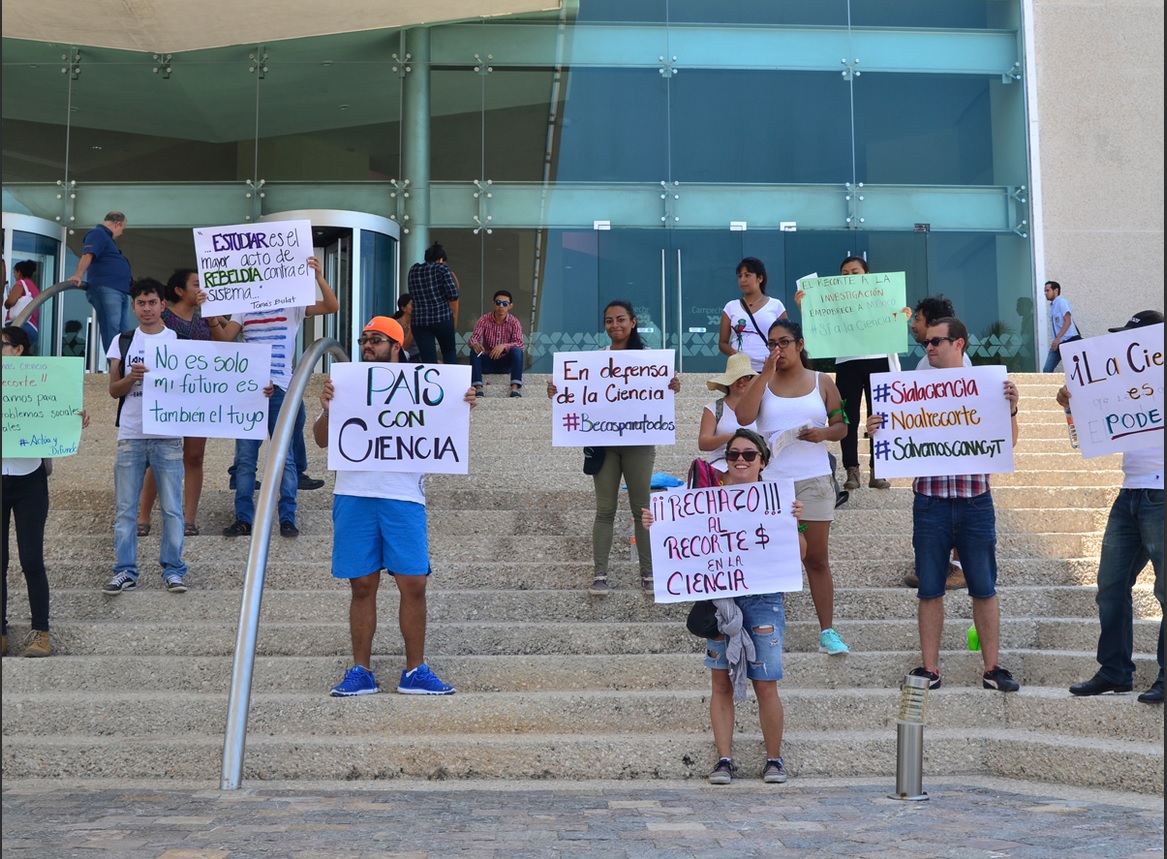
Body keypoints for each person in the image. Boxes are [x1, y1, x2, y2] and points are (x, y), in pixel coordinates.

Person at [314, 316, 479, 697]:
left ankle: (415, 670)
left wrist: (462, 401)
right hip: (354, 494)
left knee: (414, 583)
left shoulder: (427, 386)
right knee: (362, 585)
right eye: (364, 340)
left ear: (396, 346)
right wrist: (327, 407)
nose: (367, 345)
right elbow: (322, 441)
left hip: (404, 495)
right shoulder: (347, 385)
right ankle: (360, 670)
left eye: (376, 340)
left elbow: (445, 428)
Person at [866, 317, 1021, 692]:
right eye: (927, 343)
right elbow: (896, 444)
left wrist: (1012, 410)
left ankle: (992, 668)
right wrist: (876, 429)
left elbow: (1007, 443)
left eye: (937, 341)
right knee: (930, 587)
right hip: (931, 501)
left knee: (983, 586)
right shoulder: (910, 389)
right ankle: (930, 668)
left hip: (974, 500)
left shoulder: (987, 386)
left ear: (959, 344)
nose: (929, 347)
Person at [642, 429, 804, 785]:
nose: (741, 461)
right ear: (725, 460)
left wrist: (791, 525)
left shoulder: (778, 501)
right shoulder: (702, 499)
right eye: (734, 455)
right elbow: (671, 545)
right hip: (721, 598)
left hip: (763, 599)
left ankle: (774, 759)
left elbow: (803, 554)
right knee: (720, 682)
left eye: (749, 455)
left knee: (766, 683)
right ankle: (724, 759)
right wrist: (655, 526)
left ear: (763, 461)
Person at [546, 299, 681, 595]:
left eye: (621, 319)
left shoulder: (650, 359)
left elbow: (664, 391)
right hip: (604, 445)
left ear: (633, 322)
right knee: (604, 509)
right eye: (609, 320)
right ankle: (600, 574)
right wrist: (557, 390)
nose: (615, 325)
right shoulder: (595, 360)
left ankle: (648, 573)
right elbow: (578, 395)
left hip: (639, 444)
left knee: (642, 509)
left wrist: (672, 385)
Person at [1065, 309, 1163, 704]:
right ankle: (1115, 671)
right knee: (1109, 585)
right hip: (1130, 493)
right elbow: (1084, 438)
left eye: (1132, 339)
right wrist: (1073, 407)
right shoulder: (1123, 383)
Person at [736, 319, 850, 656]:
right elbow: (743, 417)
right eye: (772, 343)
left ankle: (827, 631)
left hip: (813, 478)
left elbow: (842, 425)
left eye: (784, 342)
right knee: (773, 556)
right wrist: (763, 375)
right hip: (772, 482)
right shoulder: (763, 381)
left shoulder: (822, 381)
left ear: (800, 345)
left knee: (816, 557)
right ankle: (766, 627)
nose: (777, 349)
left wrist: (823, 434)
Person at [207, 257, 339, 538]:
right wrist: (211, 319)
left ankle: (287, 517)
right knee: (245, 459)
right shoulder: (245, 307)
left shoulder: (292, 303)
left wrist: (318, 277)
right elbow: (224, 340)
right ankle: (244, 519)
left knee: (286, 457)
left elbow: (332, 306)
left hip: (281, 388)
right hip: (249, 390)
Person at [2, 327, 90, 657]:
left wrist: (74, 419)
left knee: (31, 559)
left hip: (29, 481)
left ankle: (41, 631)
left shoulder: (44, 380)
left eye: (2, 345)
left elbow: (58, 413)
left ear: (19, 350)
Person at [101, 278, 189, 595]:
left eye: (152, 302)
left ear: (163, 304)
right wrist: (131, 378)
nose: (147, 308)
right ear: (133, 306)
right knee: (126, 508)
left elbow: (196, 387)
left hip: (167, 435)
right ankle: (125, 570)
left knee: (172, 508)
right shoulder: (122, 341)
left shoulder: (178, 340)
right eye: (141, 303)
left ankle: (174, 570)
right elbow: (113, 391)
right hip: (131, 432)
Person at [793, 256, 898, 492]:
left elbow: (895, 322)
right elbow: (819, 323)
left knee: (880, 416)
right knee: (848, 417)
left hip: (878, 359)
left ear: (867, 275)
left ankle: (878, 470)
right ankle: (852, 470)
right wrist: (806, 308)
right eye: (845, 273)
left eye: (855, 272)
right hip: (847, 361)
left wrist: (902, 315)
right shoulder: (835, 300)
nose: (849, 277)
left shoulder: (883, 296)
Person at [136, 269, 211, 537]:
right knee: (159, 455)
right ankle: (143, 516)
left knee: (194, 456)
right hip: (167, 397)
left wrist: (214, 315)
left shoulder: (206, 320)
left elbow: (227, 347)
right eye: (195, 284)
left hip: (199, 396)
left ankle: (188, 518)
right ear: (179, 291)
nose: (201, 288)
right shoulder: (163, 317)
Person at [68, 212, 133, 357]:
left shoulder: (107, 239)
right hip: (107, 288)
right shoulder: (98, 234)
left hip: (120, 290)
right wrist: (78, 275)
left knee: (123, 331)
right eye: (122, 228)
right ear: (117, 224)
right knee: (112, 328)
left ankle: (123, 365)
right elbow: (88, 254)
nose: (122, 233)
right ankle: (115, 367)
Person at [718, 257, 788, 372]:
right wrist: (734, 353)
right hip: (739, 371)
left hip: (769, 368)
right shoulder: (731, 307)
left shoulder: (776, 305)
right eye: (740, 276)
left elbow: (786, 339)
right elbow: (722, 343)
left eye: (747, 275)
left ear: (760, 278)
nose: (742, 280)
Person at [698, 351, 757, 472]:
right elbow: (703, 443)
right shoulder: (714, 408)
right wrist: (733, 437)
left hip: (754, 465)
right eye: (737, 377)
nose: (742, 381)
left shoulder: (761, 406)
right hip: (721, 464)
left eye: (746, 377)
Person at [407, 242, 460, 365]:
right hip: (442, 318)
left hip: (419, 321)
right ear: (441, 259)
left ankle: (430, 383)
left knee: (428, 358)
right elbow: (453, 295)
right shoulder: (442, 269)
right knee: (449, 351)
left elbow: (412, 292)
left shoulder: (413, 270)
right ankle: (450, 382)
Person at [468, 289, 525, 397]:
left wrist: (504, 346)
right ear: (493, 304)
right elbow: (473, 338)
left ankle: (515, 388)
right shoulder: (484, 319)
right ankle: (478, 387)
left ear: (510, 306)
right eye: (498, 303)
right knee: (474, 350)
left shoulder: (514, 322)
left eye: (505, 303)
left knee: (517, 351)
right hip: (488, 361)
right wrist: (475, 344)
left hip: (504, 363)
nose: (501, 306)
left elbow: (520, 343)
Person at [1042, 280, 1081, 373]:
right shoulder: (1053, 306)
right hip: (1057, 343)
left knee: (1073, 370)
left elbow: (1068, 321)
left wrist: (1057, 339)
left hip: (1067, 342)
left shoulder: (1061, 302)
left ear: (1056, 290)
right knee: (1047, 370)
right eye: (1045, 291)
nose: (1045, 293)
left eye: (1048, 290)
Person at [4, 260, 41, 346]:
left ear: (19, 272)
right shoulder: (35, 288)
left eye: (15, 272)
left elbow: (10, 302)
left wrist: (7, 301)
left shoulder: (21, 283)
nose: (14, 275)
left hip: (20, 326)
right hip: (32, 328)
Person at [392, 293, 420, 360]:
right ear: (404, 308)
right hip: (403, 358)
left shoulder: (419, 322)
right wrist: (412, 328)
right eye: (412, 305)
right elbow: (403, 348)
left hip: (419, 356)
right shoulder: (396, 324)